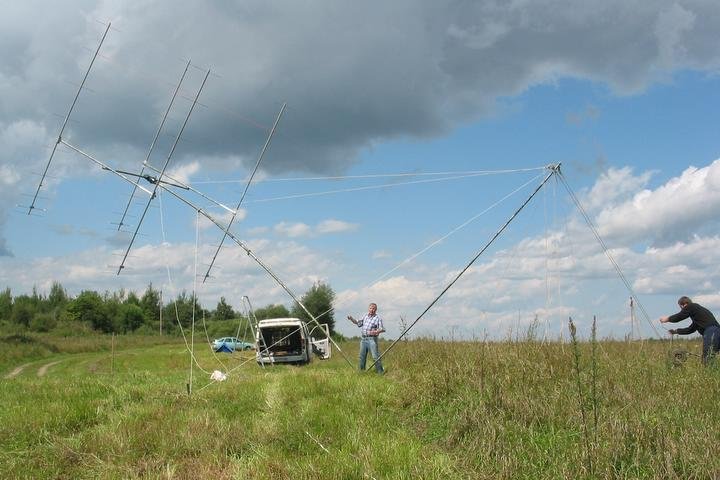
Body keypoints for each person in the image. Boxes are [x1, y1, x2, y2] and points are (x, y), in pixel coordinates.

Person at [660, 296, 720, 365]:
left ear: (684, 304)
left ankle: (709, 373)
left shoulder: (692, 306)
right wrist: (675, 331)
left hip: (711, 331)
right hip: (716, 331)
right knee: (708, 356)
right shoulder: (698, 316)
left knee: (708, 357)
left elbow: (680, 316)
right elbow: (691, 329)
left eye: (681, 307)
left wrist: (667, 319)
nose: (682, 310)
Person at [348, 302, 385, 374]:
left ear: (376, 310)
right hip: (364, 339)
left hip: (372, 339)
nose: (372, 310)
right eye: (371, 308)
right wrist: (351, 318)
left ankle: (380, 372)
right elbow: (357, 323)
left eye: (373, 309)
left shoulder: (378, 318)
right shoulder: (365, 316)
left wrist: (376, 332)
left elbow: (382, 329)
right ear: (368, 309)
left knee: (375, 356)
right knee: (362, 356)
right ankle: (361, 372)